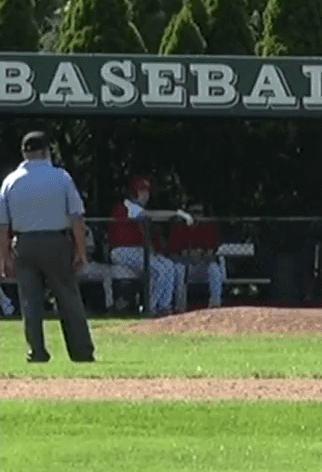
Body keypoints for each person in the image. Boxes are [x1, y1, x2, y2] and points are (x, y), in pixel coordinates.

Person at [0, 131, 96, 363]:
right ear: (46, 151)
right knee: (68, 296)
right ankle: (81, 351)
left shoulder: (10, 181)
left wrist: (5, 258)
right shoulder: (61, 177)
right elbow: (76, 218)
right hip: (55, 242)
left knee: (29, 300)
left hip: (23, 243)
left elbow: (2, 225)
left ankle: (37, 351)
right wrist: (80, 251)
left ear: (24, 152)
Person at [108, 175, 191, 316]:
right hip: (122, 250)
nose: (145, 195)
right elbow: (149, 215)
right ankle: (150, 308)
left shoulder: (137, 208)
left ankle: (164, 307)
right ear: (134, 192)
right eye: (141, 191)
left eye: (146, 191)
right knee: (158, 268)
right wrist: (175, 214)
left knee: (169, 266)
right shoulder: (128, 205)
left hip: (139, 251)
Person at [168, 201, 227, 308]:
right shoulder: (180, 227)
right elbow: (178, 252)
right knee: (179, 269)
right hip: (187, 266)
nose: (197, 216)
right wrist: (191, 253)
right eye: (193, 212)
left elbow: (211, 251)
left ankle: (215, 303)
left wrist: (202, 254)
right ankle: (180, 306)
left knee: (214, 268)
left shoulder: (208, 226)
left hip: (203, 265)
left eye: (200, 212)